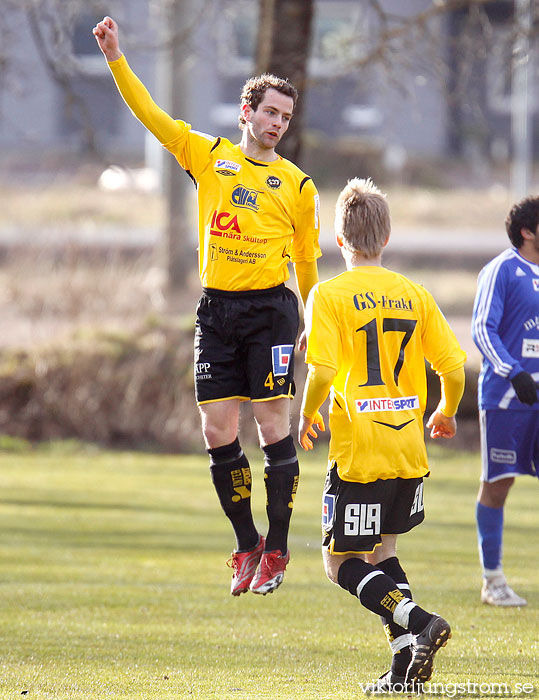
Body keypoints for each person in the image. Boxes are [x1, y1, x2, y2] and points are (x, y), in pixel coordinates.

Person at [93, 17, 321, 596]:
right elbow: (151, 115)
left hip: (272, 311)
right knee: (216, 428)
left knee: (273, 425)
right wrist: (117, 56)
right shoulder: (208, 155)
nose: (277, 124)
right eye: (270, 113)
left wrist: (312, 320)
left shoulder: (298, 187)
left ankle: (279, 546)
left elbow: (307, 262)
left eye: (285, 118)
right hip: (217, 311)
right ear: (247, 112)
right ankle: (247, 545)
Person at [298, 178, 466, 691]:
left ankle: (420, 624)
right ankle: (402, 674)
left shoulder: (328, 294)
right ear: (386, 238)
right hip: (407, 449)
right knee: (383, 554)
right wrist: (446, 411)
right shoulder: (414, 293)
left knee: (338, 562)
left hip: (360, 454)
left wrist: (307, 414)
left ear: (339, 240)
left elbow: (323, 373)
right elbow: (454, 366)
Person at [471, 195, 539, 608]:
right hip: (507, 397)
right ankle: (492, 580)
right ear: (528, 232)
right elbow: (483, 328)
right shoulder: (501, 270)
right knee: (498, 484)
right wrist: (513, 370)